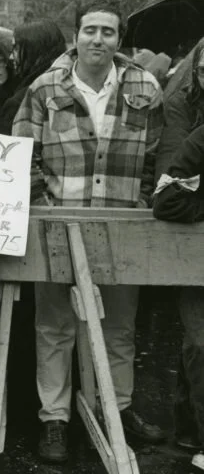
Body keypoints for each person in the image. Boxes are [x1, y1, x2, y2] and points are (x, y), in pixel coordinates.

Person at [12, 0, 167, 464]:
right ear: (75, 35)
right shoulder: (44, 87)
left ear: (119, 39)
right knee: (54, 326)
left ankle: (117, 408)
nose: (98, 39)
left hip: (123, 227)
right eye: (90, 30)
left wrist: (141, 204)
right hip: (59, 225)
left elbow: (156, 155)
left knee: (118, 327)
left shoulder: (145, 86)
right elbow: (22, 154)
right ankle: (55, 418)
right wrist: (44, 207)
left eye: (108, 32)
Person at [152, 37, 204, 468]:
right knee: (200, 343)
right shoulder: (189, 120)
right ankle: (195, 432)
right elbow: (166, 196)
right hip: (194, 250)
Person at [0, 20, 67, 135]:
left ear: (35, 50)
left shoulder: (20, 102)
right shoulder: (75, 82)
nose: (11, 57)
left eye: (16, 48)